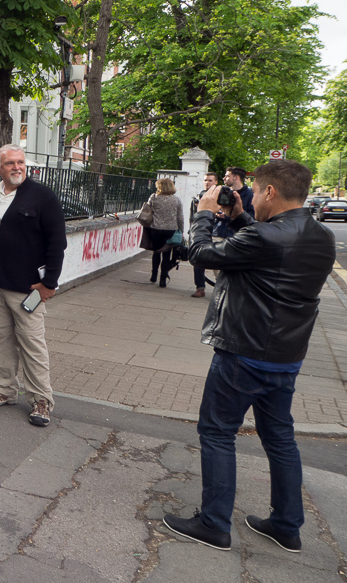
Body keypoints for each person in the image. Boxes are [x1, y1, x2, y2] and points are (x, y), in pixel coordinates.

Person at [163, 160, 335, 552]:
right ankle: (287, 525)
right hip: (286, 355)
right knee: (280, 438)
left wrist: (204, 214)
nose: (251, 197)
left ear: (271, 192)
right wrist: (240, 218)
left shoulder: (269, 238)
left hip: (244, 352)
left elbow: (201, 253)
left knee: (217, 432)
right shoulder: (321, 236)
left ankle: (213, 524)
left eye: (255, 192)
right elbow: (265, 251)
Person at [0, 145, 66, 427]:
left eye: (20, 162)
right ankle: (5, 389)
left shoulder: (43, 196)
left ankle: (41, 400)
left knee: (32, 344)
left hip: (28, 289)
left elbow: (57, 243)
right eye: (10, 163)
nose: (17, 167)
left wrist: (49, 283)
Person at [139, 177, 184, 288]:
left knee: (156, 252)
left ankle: (154, 274)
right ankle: (163, 279)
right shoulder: (177, 200)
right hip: (171, 230)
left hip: (156, 229)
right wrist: (181, 230)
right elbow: (180, 218)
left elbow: (147, 211)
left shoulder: (154, 197)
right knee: (167, 255)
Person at [190, 172, 219, 298]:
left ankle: (219, 288)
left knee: (217, 264)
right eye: (205, 180)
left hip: (217, 231)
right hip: (203, 231)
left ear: (216, 182)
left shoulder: (220, 196)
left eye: (210, 180)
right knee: (198, 261)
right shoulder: (200, 195)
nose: (207, 182)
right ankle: (200, 287)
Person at [213, 166, 254, 238]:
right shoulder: (223, 192)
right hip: (218, 234)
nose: (224, 178)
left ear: (236, 177)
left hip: (236, 237)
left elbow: (252, 217)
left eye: (227, 176)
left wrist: (229, 216)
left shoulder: (250, 195)